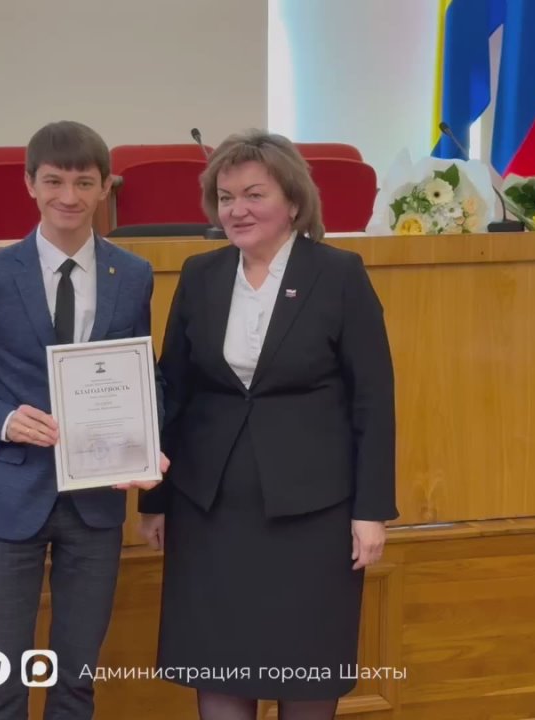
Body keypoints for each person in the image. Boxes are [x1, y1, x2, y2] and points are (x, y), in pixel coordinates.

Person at [137, 129, 398, 720]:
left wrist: (371, 510)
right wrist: (155, 500)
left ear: (294, 202)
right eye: (226, 197)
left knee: (305, 663)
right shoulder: (201, 275)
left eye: (254, 195)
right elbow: (173, 390)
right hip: (210, 508)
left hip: (313, 512)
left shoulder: (339, 274)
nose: (237, 210)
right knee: (219, 663)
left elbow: (373, 399)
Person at [0, 120, 161, 720]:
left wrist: (146, 446)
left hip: (96, 502)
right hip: (9, 501)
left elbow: (140, 376)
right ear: (30, 184)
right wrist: (1, 419)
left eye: (84, 182)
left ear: (105, 188)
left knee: (77, 682)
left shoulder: (132, 275)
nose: (68, 197)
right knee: (3, 682)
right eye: (53, 181)